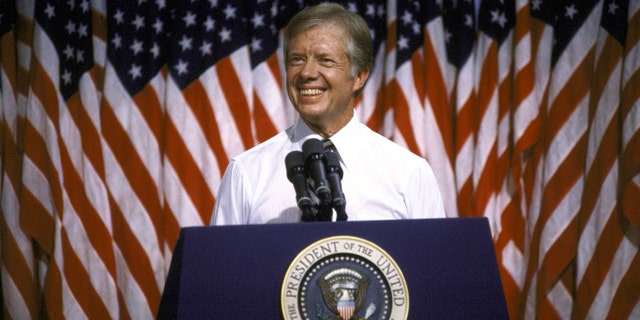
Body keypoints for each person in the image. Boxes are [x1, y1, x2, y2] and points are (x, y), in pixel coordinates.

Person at [210, 2, 445, 225]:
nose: (307, 73)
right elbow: (220, 265)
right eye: (297, 59)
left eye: (325, 60)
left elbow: (433, 263)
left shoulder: (408, 173)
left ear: (359, 76)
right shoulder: (246, 172)